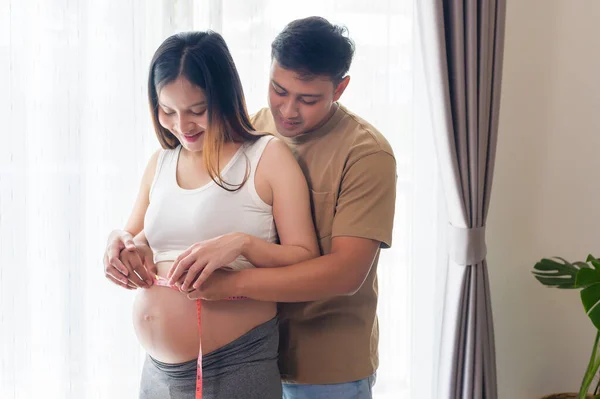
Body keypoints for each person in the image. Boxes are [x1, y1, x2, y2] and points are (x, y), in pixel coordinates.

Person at [106, 17, 397, 399]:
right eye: (278, 90)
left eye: (307, 99)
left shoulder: (364, 154)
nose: (288, 110)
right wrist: (128, 241)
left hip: (320, 360)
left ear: (340, 88)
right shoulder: (247, 130)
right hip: (228, 352)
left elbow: (345, 273)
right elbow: (181, 218)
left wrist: (232, 277)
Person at [103, 30, 319, 399]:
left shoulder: (267, 157)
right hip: (155, 373)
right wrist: (117, 245)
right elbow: (138, 239)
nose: (182, 125)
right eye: (167, 110)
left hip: (234, 367)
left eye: (197, 111)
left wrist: (241, 245)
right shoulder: (161, 162)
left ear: (224, 97)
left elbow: (305, 258)